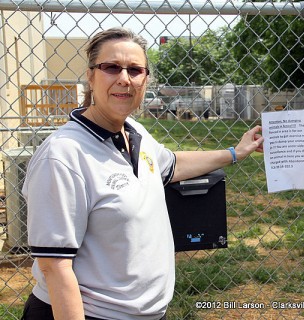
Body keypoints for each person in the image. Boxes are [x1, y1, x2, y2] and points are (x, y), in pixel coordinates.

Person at [21, 27, 263, 320]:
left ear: (145, 80)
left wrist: (236, 152)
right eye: (111, 67)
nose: (124, 78)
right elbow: (55, 267)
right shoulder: (63, 155)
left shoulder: (135, 133)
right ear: (91, 76)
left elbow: (172, 165)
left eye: (135, 70)